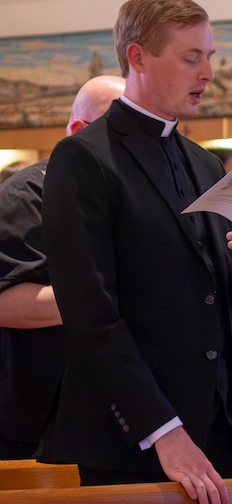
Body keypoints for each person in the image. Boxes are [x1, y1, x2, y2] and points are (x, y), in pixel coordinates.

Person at [38, 0, 232, 503]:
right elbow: (91, 317)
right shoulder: (82, 159)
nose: (207, 72)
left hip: (212, 427)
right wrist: (163, 430)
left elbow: (216, 311)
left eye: (209, 57)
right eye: (191, 57)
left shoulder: (206, 164)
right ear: (138, 57)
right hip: (130, 436)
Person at [0, 75, 125, 460]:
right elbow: (7, 303)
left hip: (115, 413)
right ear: (77, 130)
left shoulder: (125, 196)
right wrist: (121, 293)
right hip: (36, 423)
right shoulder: (28, 195)